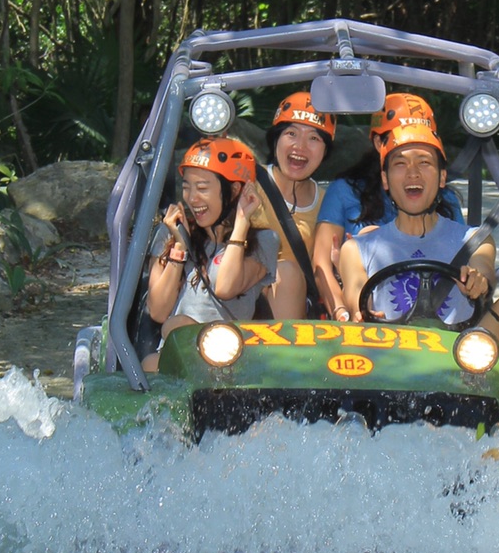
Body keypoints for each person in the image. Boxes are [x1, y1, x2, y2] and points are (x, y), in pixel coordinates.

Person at [338, 112, 499, 385]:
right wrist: (359, 308)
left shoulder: (473, 239)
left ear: (442, 177)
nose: (413, 172)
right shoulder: (358, 248)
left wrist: (477, 279)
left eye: (424, 163)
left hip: (461, 354)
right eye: (400, 164)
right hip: (388, 352)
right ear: (386, 180)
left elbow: (483, 268)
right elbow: (354, 289)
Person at [311, 93, 463, 320]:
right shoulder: (345, 190)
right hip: (362, 311)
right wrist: (342, 310)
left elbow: (465, 258)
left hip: (438, 313)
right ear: (378, 143)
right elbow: (321, 262)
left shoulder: (445, 199)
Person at [142, 139, 278, 371]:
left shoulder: (264, 240)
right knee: (152, 361)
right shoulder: (169, 233)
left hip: (231, 356)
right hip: (178, 351)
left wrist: (241, 223)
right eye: (187, 187)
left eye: (202, 188)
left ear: (234, 191)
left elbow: (225, 287)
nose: (192, 198)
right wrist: (180, 248)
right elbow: (158, 311)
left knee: (181, 327)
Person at [247, 91, 335, 318]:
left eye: (314, 138)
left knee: (287, 274)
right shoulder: (246, 185)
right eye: (291, 133)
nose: (300, 146)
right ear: (276, 139)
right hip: (242, 299)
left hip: (296, 308)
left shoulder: (331, 203)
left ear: (325, 150)